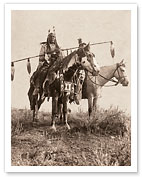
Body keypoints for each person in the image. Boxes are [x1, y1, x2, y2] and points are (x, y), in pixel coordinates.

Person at [31, 30, 63, 97]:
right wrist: (48, 57)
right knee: (43, 72)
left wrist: (58, 56)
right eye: (51, 37)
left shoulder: (58, 47)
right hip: (47, 63)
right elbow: (41, 55)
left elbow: (62, 56)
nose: (52, 38)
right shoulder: (44, 46)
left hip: (56, 64)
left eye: (54, 37)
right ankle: (38, 87)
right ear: (48, 38)